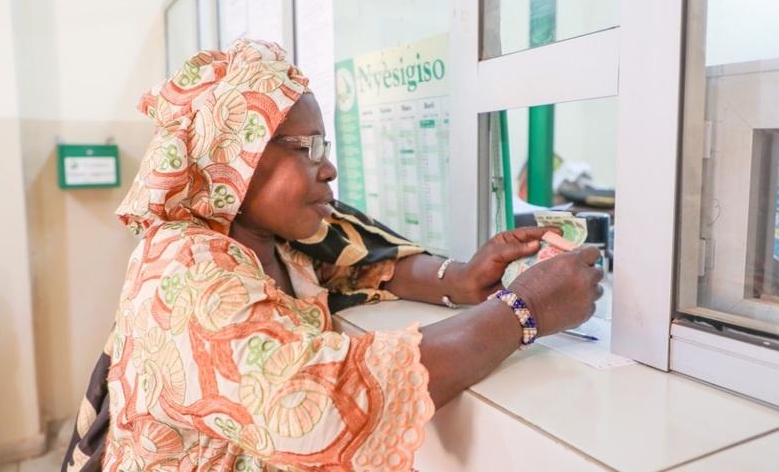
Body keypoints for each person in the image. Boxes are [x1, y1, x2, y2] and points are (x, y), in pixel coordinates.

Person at [62, 39, 602, 472]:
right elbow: (313, 406)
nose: (329, 170)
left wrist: (459, 278)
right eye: (308, 148)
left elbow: (359, 262)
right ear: (237, 158)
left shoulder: (272, 246)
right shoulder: (185, 267)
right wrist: (525, 310)